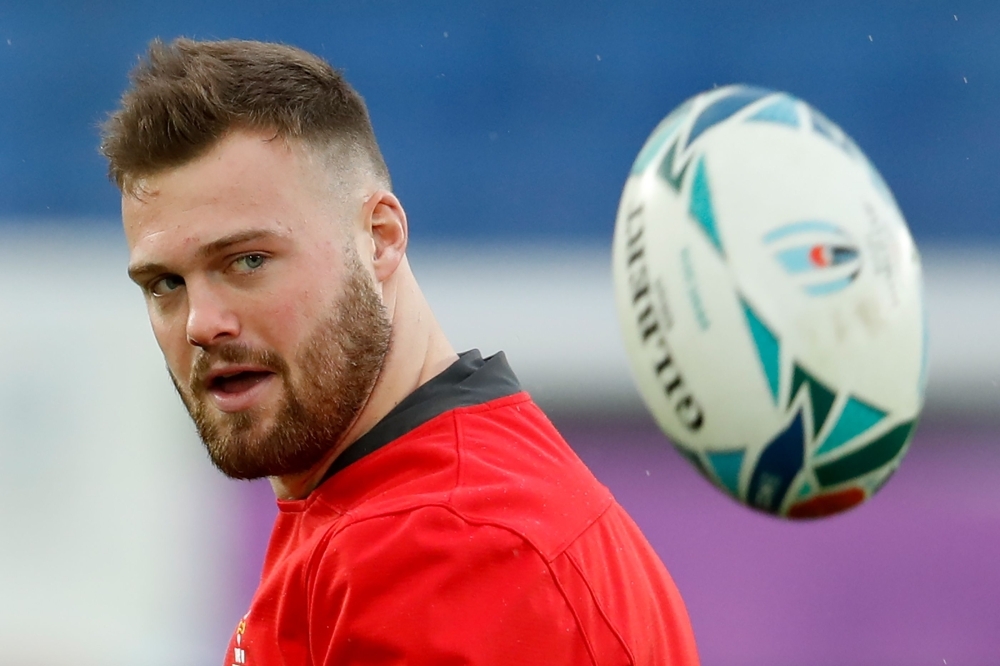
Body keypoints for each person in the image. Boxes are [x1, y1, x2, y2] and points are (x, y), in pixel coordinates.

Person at [101, 37, 699, 665]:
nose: (201, 323)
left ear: (380, 239)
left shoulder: (448, 547)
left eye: (248, 260)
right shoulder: (401, 507)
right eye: (165, 284)